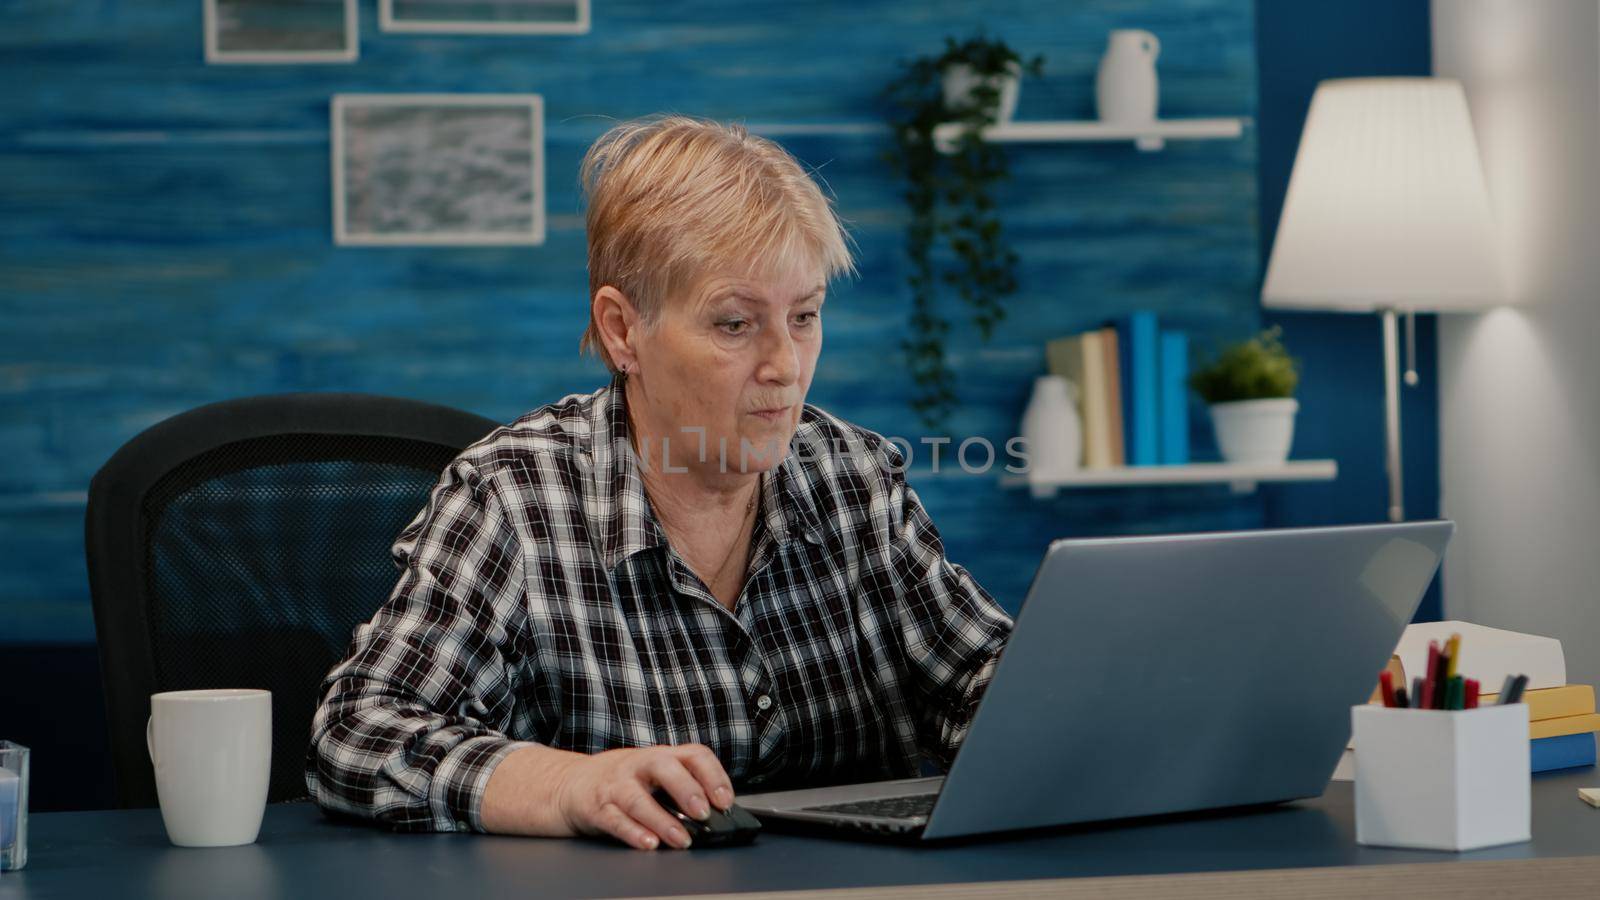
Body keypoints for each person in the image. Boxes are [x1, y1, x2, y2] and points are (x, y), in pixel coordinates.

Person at [306, 114, 1013, 851]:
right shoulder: (513, 498)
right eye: (736, 325)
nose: (786, 365)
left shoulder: (857, 480)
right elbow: (357, 733)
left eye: (804, 317)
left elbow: (985, 679)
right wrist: (568, 784)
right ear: (622, 331)